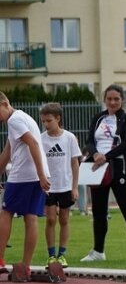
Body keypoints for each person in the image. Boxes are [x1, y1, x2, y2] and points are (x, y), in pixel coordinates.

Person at [81, 85, 126, 262]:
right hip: (98, 168)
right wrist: (95, 154)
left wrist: (107, 156)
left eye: (116, 99)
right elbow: (89, 140)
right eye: (109, 99)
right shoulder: (98, 118)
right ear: (104, 99)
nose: (112, 102)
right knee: (98, 210)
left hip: (119, 167)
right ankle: (98, 251)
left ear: (122, 100)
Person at [0, 92, 51, 276]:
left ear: (5, 104)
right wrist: (42, 175)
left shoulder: (14, 121)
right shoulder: (22, 117)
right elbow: (7, 151)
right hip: (36, 175)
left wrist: (40, 175)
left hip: (22, 175)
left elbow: (33, 144)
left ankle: (0, 260)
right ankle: (26, 266)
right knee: (31, 217)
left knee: (6, 213)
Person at [40, 102, 81, 268]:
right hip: (49, 186)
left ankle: (62, 255)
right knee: (50, 219)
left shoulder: (69, 138)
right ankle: (51, 255)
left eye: (49, 120)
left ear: (58, 118)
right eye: (43, 121)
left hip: (65, 185)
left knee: (64, 219)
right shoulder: (41, 139)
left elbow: (74, 163)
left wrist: (75, 186)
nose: (46, 124)